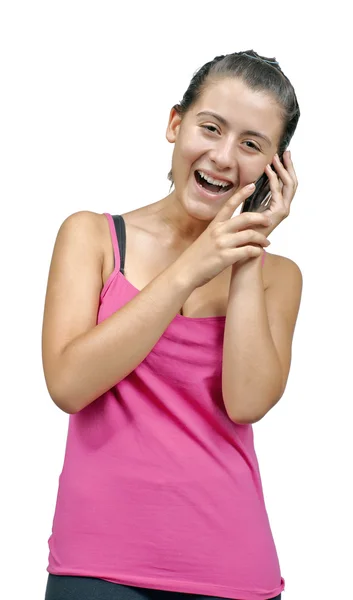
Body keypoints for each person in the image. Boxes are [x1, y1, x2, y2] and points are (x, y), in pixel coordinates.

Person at [43, 50, 302, 600]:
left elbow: (246, 402)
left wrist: (245, 253)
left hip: (233, 569)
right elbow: (68, 385)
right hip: (96, 565)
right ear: (175, 124)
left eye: (252, 144)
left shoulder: (277, 276)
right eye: (211, 128)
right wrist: (190, 267)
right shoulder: (91, 237)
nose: (224, 157)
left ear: (275, 169)